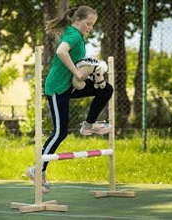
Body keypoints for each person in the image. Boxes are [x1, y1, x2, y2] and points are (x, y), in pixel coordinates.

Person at [27, 5, 113, 192]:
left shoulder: (77, 36)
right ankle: (37, 170)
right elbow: (60, 52)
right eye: (88, 24)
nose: (90, 28)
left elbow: (77, 61)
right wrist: (76, 72)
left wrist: (92, 69)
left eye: (92, 25)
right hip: (58, 87)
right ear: (77, 21)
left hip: (70, 86)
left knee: (105, 89)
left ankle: (89, 124)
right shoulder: (73, 34)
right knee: (60, 132)